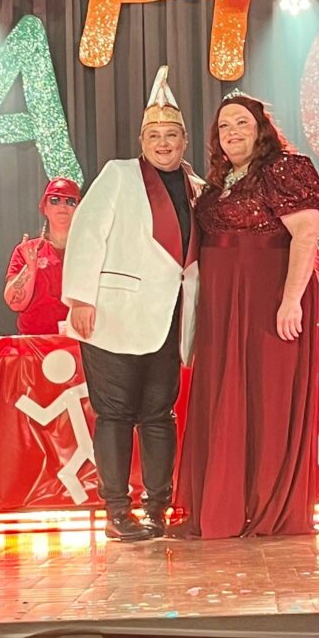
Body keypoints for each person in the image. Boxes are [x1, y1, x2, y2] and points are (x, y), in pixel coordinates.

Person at [174, 93, 319, 539]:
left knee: (266, 397)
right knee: (225, 393)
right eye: (224, 126)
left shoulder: (285, 168)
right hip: (223, 304)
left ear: (261, 128)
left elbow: (306, 235)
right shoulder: (219, 182)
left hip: (268, 297)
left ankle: (267, 506)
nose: (232, 132)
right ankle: (223, 506)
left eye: (241, 122)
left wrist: (291, 300)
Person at [62, 67, 202, 542]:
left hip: (169, 318)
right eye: (154, 135)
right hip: (112, 315)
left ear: (185, 140)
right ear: (142, 140)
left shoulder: (198, 186)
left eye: (171, 135)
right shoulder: (119, 175)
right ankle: (117, 511)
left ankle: (158, 506)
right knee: (116, 413)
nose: (163, 143)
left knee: (160, 414)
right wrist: (80, 298)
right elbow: (86, 233)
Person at [4, 177, 81, 334]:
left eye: (70, 201)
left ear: (79, 209)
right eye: (55, 200)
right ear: (44, 208)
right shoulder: (27, 250)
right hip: (34, 341)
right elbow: (15, 303)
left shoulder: (89, 251)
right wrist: (30, 268)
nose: (62, 206)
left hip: (78, 340)